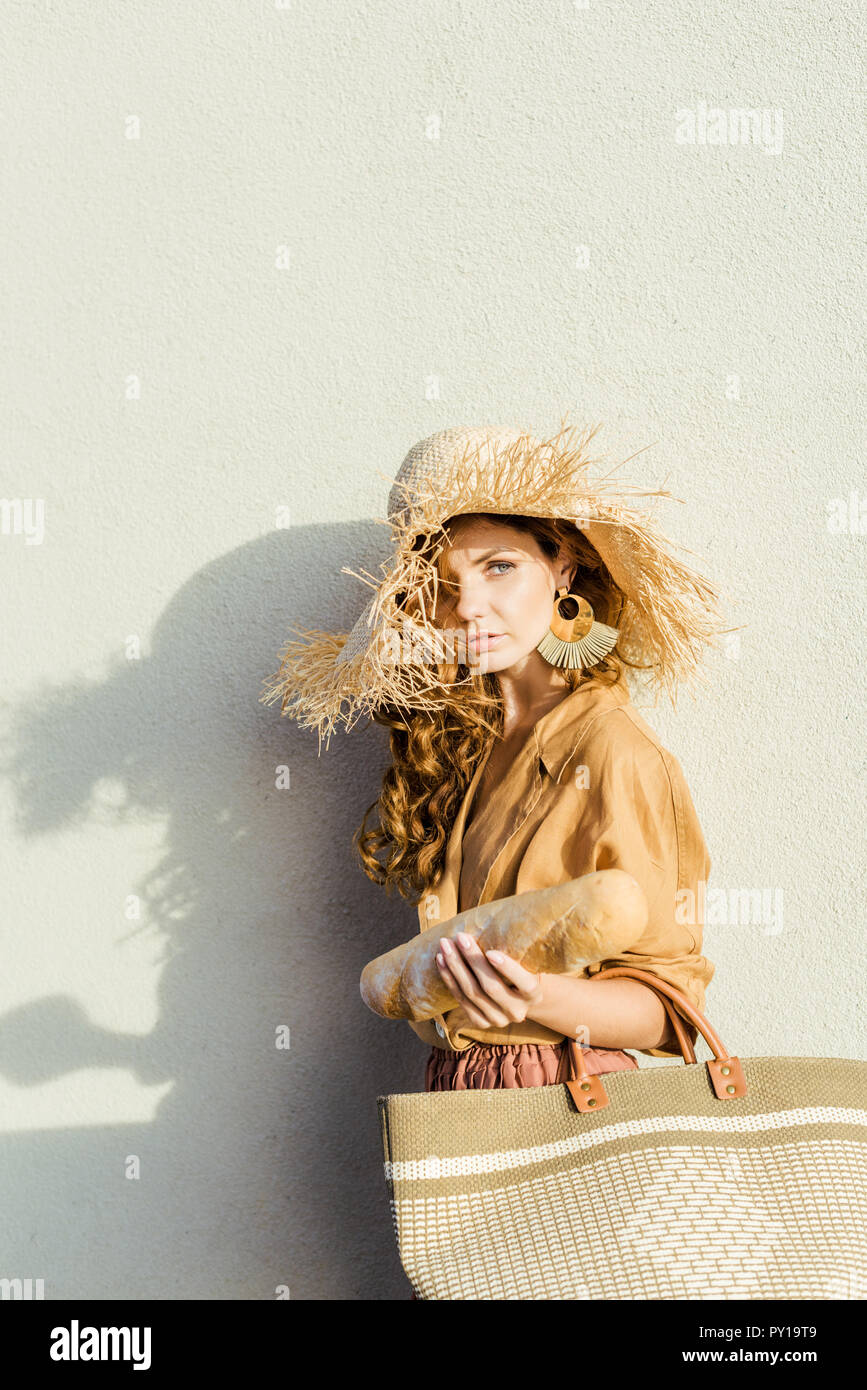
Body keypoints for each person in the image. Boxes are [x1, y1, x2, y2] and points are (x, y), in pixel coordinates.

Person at [260, 421, 733, 1295]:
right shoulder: (464, 748)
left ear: (563, 569)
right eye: (442, 584)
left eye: (498, 567)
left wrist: (537, 998)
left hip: (565, 1097)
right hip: (457, 1094)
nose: (467, 606)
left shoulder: (616, 751)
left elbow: (669, 1011)